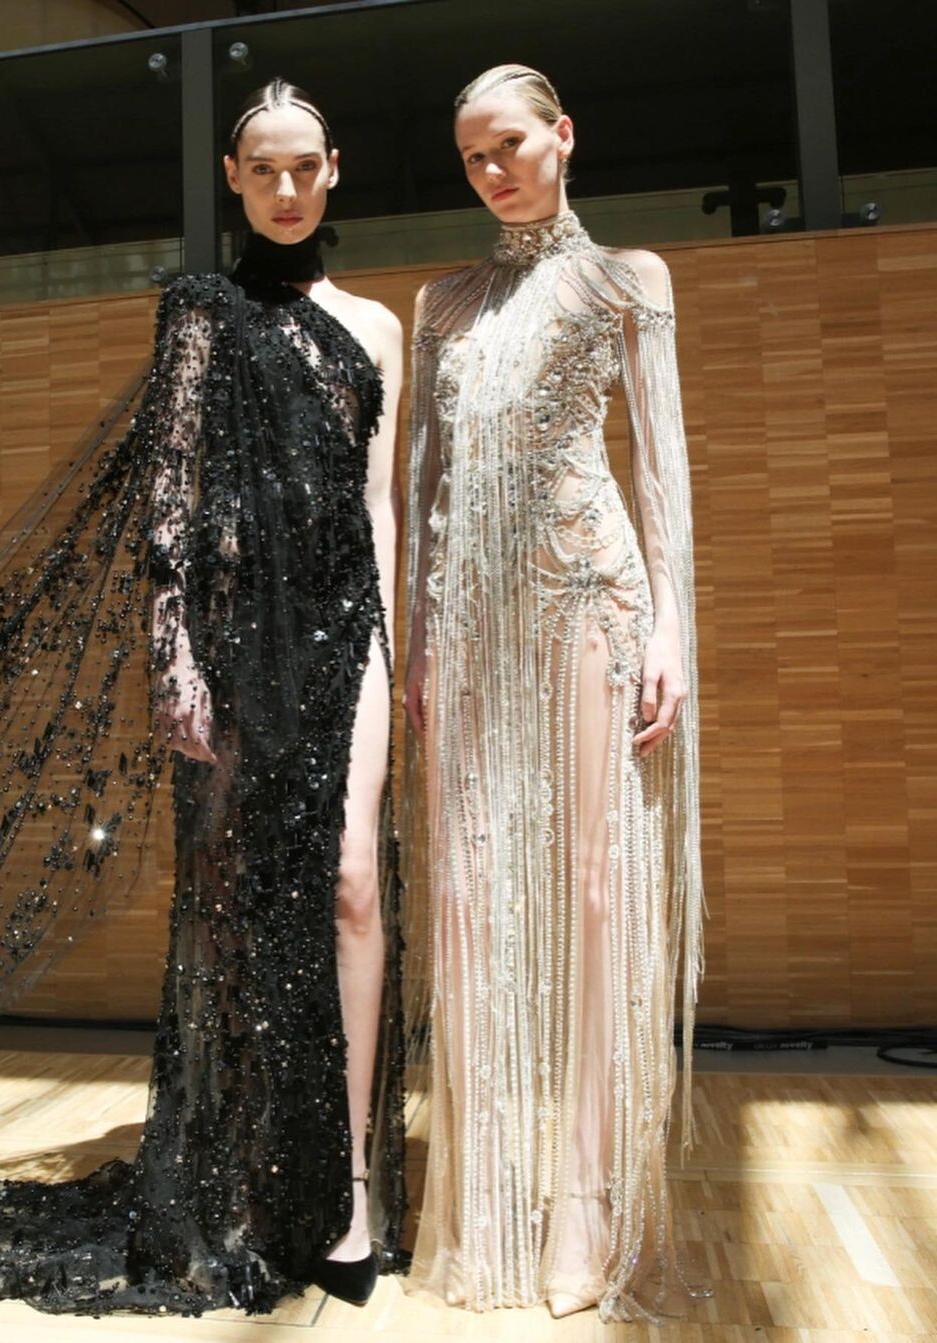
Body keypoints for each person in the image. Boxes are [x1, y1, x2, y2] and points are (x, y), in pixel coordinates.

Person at [0, 79, 405, 1314]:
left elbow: (379, 506)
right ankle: (242, 1166)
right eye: (262, 170)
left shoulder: (377, 327)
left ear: (333, 170)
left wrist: (393, 646)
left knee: (352, 884)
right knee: (231, 896)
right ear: (233, 178)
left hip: (346, 632)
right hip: (232, 635)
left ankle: (351, 1182)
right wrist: (175, 654)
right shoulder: (201, 309)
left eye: (303, 168)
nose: (284, 189)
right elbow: (172, 493)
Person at [403, 64, 706, 1321]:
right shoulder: (443, 302)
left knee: (592, 886)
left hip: (589, 600)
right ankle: (484, 1179)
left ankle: (583, 1190)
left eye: (511, 144)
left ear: (564, 136)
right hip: (469, 621)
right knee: (471, 891)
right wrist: (419, 636)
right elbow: (424, 484)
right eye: (473, 155)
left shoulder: (630, 278)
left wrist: (673, 626)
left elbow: (661, 466)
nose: (493, 170)